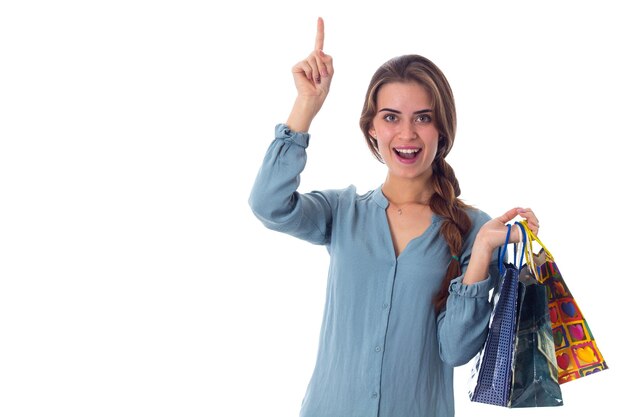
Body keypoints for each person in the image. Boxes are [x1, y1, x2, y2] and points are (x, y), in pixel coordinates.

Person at [249, 17, 540, 417]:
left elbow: (455, 350)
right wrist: (306, 106)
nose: (407, 133)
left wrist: (485, 253)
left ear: (442, 130)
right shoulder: (342, 211)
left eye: (422, 117)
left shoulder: (474, 228)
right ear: (371, 129)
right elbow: (268, 204)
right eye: (391, 117)